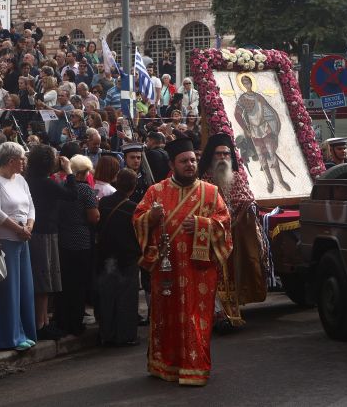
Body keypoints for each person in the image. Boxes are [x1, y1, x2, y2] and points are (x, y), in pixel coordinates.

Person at [133, 137, 232, 386]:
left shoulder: (210, 193)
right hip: (167, 270)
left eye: (193, 160)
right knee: (167, 318)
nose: (190, 165)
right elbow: (137, 220)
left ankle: (195, 367)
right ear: (172, 164)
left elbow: (225, 224)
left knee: (195, 318)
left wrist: (203, 224)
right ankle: (165, 365)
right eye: (184, 161)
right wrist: (151, 217)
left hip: (199, 270)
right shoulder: (155, 192)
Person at [198, 133, 266, 330]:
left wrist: (240, 213)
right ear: (211, 156)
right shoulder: (203, 180)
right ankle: (216, 313)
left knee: (234, 275)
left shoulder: (236, 177)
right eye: (218, 154)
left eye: (226, 154)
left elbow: (247, 199)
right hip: (210, 237)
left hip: (234, 236)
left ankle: (232, 311)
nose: (222, 158)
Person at [0, 141, 37, 351]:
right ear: (12, 160)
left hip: (23, 238)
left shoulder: (21, 179)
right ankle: (9, 337)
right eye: (22, 159)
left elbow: (31, 205)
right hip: (6, 240)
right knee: (9, 291)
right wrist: (18, 229)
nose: (24, 162)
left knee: (24, 288)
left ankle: (25, 332)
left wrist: (29, 226)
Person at [23, 145, 73, 340]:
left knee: (44, 281)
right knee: (44, 281)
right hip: (44, 233)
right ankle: (40, 323)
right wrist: (69, 171)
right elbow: (71, 194)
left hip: (40, 231)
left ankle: (43, 321)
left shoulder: (30, 180)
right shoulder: (46, 183)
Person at [96, 167, 141, 346]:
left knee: (107, 296)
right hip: (127, 258)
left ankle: (106, 334)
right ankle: (126, 335)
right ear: (134, 186)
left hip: (105, 255)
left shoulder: (104, 202)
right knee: (127, 298)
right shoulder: (133, 208)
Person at [55, 154, 99, 336]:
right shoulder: (86, 191)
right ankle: (75, 321)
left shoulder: (61, 187)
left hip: (63, 238)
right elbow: (94, 216)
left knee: (65, 282)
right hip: (81, 240)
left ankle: (62, 320)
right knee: (79, 283)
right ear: (84, 172)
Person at [233, 73, 287, 193]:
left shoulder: (259, 97)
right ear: (242, 84)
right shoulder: (242, 99)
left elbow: (270, 112)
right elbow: (237, 114)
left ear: (252, 83)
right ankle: (270, 181)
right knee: (261, 156)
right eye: (244, 82)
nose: (247, 84)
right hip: (254, 130)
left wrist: (275, 127)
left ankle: (281, 179)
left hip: (265, 128)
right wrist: (245, 128)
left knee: (272, 153)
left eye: (248, 82)